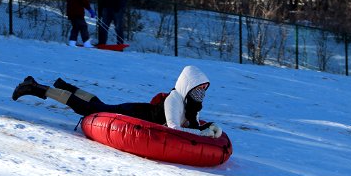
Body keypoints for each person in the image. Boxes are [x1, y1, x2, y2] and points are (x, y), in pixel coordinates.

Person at [12, 66, 222, 138]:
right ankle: (35, 87)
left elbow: (191, 124)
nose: (201, 93)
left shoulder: (189, 106)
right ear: (189, 86)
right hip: (133, 114)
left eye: (204, 89)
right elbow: (174, 128)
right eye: (199, 88)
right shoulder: (174, 100)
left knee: (99, 105)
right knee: (89, 109)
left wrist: (208, 128)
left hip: (136, 110)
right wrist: (201, 134)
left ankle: (65, 86)